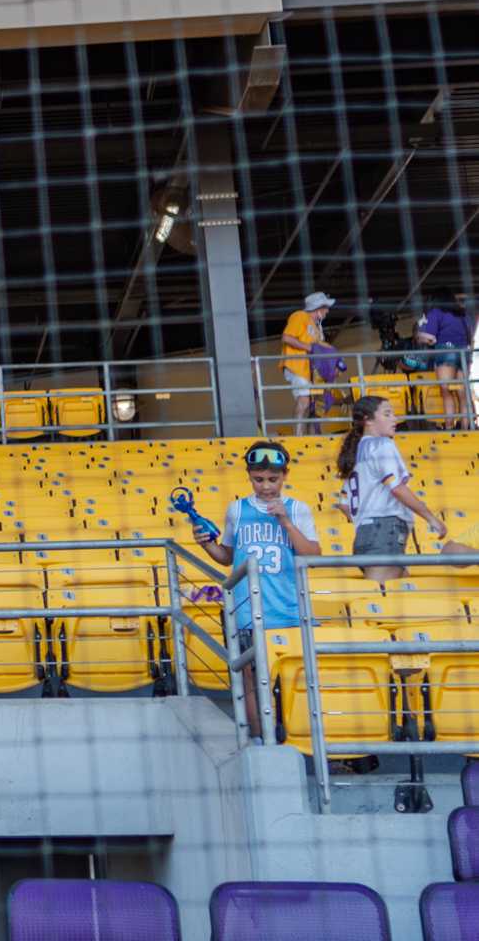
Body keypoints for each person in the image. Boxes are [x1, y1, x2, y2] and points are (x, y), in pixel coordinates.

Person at [193, 440, 317, 739]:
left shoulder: (298, 509)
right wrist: (206, 543)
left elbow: (312, 555)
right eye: (258, 479)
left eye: (273, 480)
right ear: (249, 476)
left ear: (285, 476)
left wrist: (285, 521)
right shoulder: (236, 509)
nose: (265, 487)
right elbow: (229, 557)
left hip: (288, 607)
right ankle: (262, 741)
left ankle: (299, 737)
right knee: (251, 679)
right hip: (247, 609)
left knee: (294, 678)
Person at [337, 395, 449, 583]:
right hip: (384, 531)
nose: (395, 419)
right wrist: (431, 518)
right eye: (387, 414)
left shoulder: (356, 453)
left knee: (402, 592)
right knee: (383, 597)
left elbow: (343, 504)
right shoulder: (382, 444)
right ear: (368, 420)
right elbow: (396, 488)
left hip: (365, 536)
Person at [281, 292, 336, 432]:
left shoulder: (317, 328)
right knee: (304, 400)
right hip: (298, 366)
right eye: (326, 307)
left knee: (314, 404)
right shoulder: (300, 316)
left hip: (312, 371)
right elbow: (286, 338)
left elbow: (320, 347)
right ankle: (298, 437)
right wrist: (311, 348)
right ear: (318, 308)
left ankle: (311, 437)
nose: (327, 311)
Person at [417, 297, 472, 429]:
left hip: (446, 351)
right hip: (464, 353)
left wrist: (426, 339)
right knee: (463, 394)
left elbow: (428, 336)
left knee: (446, 391)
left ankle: (448, 428)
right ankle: (467, 429)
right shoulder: (462, 314)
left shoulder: (435, 312)